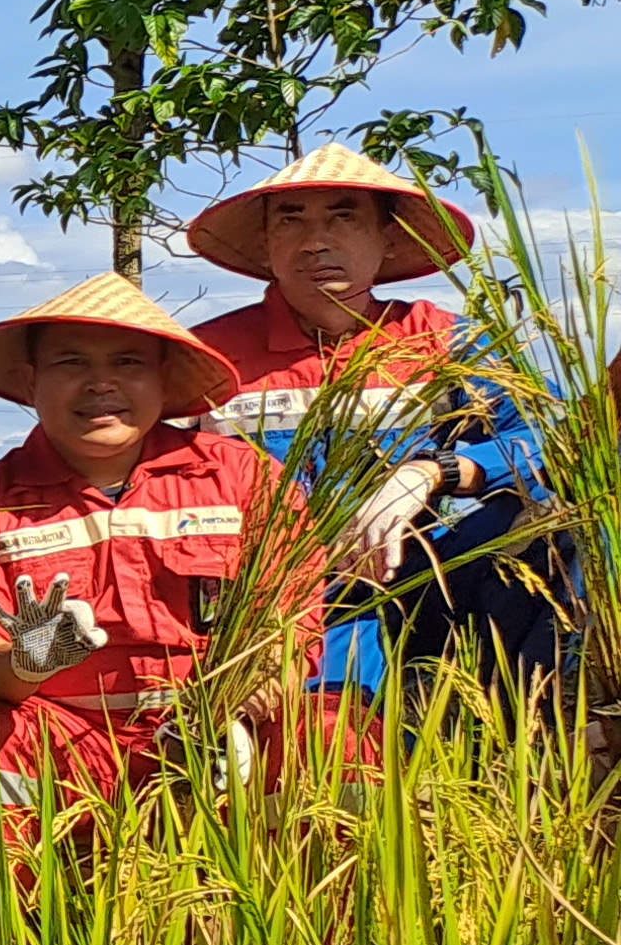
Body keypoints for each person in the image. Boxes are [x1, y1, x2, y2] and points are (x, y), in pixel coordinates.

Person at [0, 276, 314, 803]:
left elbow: (291, 626)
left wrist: (243, 700)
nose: (100, 384)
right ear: (28, 379)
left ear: (163, 378)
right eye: (71, 363)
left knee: (344, 738)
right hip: (63, 745)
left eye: (128, 363)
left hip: (220, 728)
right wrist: (25, 660)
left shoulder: (249, 480)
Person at [180, 143, 540, 691]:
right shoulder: (206, 359)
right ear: (266, 242)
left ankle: (546, 731)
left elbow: (550, 439)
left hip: (426, 589)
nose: (316, 241)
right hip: (263, 607)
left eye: (344, 216)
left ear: (388, 239)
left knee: (554, 526)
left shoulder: (447, 342)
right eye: (290, 221)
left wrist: (430, 472)